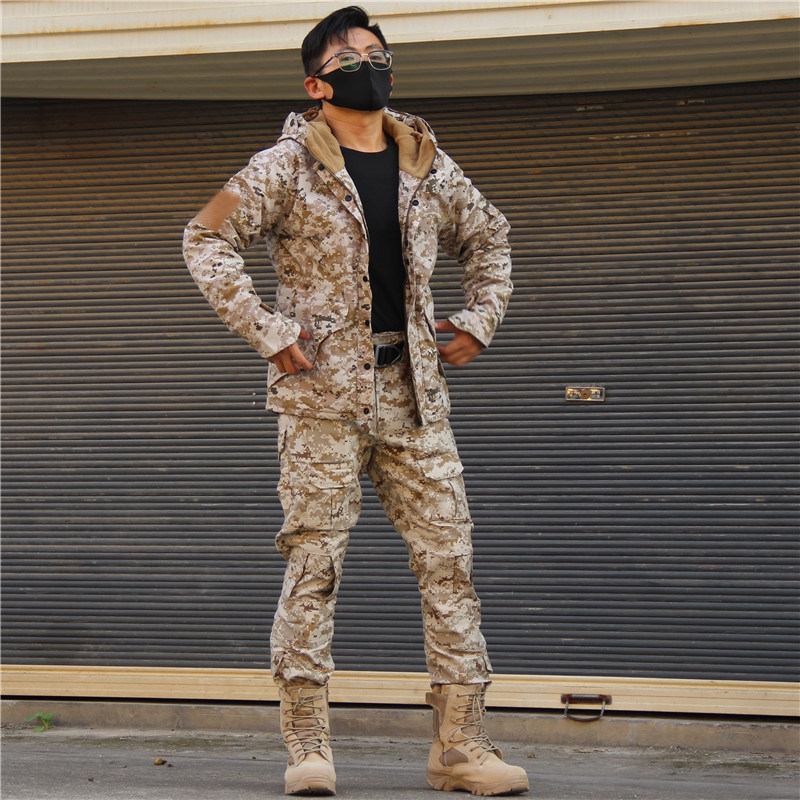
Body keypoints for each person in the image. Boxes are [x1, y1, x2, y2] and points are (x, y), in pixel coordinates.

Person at [183, 5, 529, 796]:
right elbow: (204, 237)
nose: (368, 66)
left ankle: (461, 749)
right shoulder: (282, 166)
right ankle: (308, 748)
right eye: (349, 58)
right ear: (316, 84)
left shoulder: (428, 163)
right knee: (314, 566)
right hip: (321, 402)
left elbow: (492, 237)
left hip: (416, 400)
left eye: (378, 54)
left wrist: (480, 319)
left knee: (450, 566)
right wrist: (267, 331)